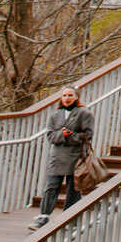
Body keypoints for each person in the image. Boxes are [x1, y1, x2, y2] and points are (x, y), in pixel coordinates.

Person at [31, 86, 95, 229]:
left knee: (73, 188)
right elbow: (50, 136)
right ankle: (43, 216)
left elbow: (88, 135)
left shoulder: (84, 113)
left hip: (76, 156)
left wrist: (71, 136)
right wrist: (62, 135)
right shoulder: (55, 115)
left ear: (76, 97)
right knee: (51, 186)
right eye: (64, 95)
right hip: (57, 156)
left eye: (70, 95)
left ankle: (70, 219)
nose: (67, 98)